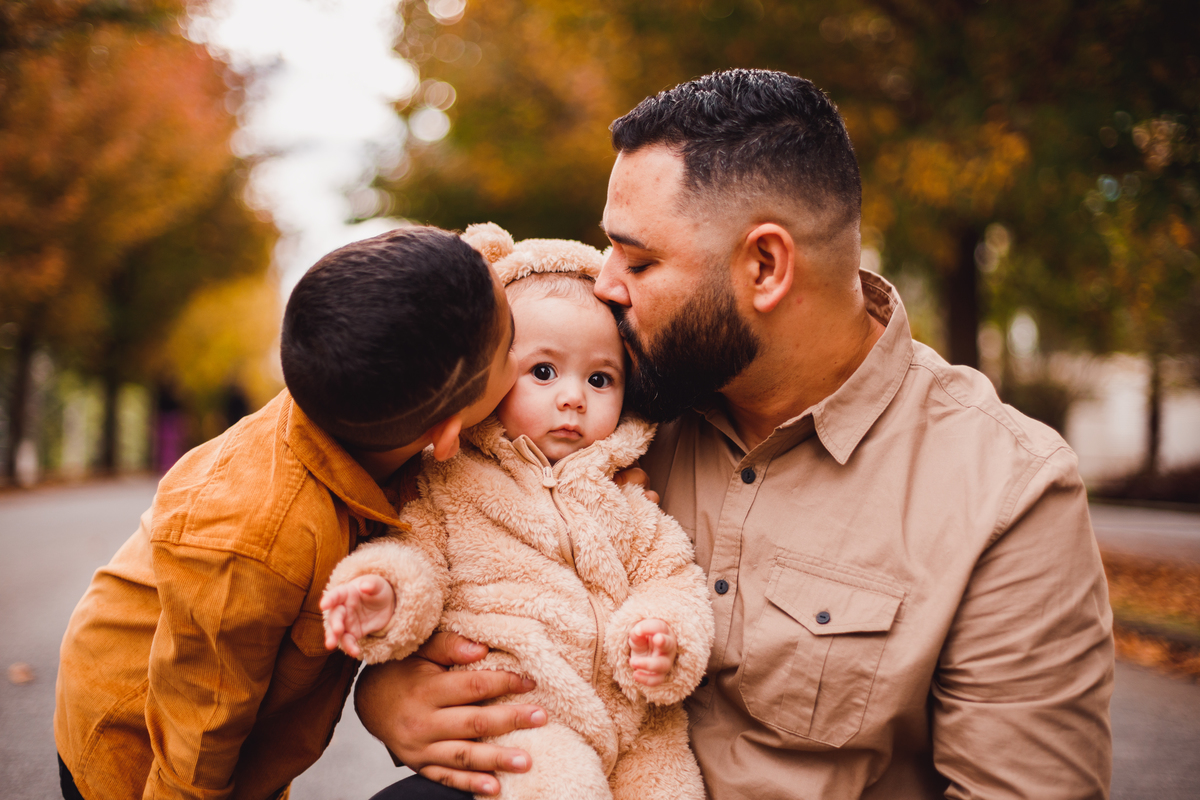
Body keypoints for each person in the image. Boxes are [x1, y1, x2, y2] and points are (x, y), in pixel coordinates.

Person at [355, 69, 1115, 799]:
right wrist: (389, 698)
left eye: (640, 258)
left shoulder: (1005, 489)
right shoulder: (608, 412)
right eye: (609, 246)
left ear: (765, 265)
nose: (605, 284)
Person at [54, 227, 521, 800]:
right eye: (513, 347)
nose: (524, 360)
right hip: (140, 744)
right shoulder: (255, 537)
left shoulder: (361, 394)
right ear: (447, 433)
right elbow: (197, 737)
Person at [320, 225, 713, 800]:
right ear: (490, 375)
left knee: (672, 788)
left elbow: (672, 577)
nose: (573, 397)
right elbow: (415, 554)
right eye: (544, 372)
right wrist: (382, 592)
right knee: (561, 789)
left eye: (599, 378)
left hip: (637, 726)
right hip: (524, 712)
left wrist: (663, 635)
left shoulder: (627, 496)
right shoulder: (453, 483)